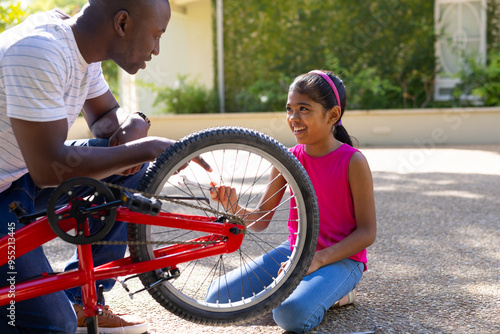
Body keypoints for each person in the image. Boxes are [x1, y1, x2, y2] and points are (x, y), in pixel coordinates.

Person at [0, 1, 176, 333]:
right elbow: (48, 168)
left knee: (132, 169)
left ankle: (82, 298)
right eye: (155, 35)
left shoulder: (79, 49)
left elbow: (105, 119)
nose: (156, 50)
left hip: (17, 180)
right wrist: (148, 146)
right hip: (22, 181)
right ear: (122, 23)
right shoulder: (39, 50)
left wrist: (135, 122)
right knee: (50, 325)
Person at [207, 70, 377, 333]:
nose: (293, 118)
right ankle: (312, 291)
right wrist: (233, 206)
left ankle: (341, 293)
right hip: (296, 252)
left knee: (289, 314)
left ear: (332, 115)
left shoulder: (353, 161)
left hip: (343, 259)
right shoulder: (289, 158)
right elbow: (262, 219)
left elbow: (367, 233)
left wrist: (319, 259)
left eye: (304, 109)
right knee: (217, 298)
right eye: (289, 109)